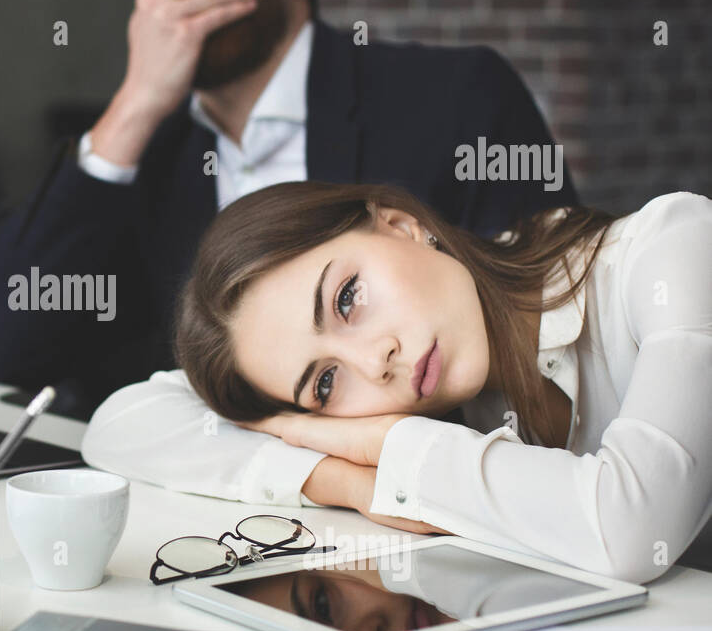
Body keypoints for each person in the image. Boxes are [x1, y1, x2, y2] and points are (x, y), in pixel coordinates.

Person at [0, 0, 575, 411]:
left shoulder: (456, 97)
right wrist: (136, 103)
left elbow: (549, 347)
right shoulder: (145, 153)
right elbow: (2, 352)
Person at [82, 183, 712, 584]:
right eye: (325, 384)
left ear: (402, 224)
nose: (374, 360)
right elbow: (121, 423)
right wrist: (340, 478)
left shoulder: (672, 249)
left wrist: (384, 444)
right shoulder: (457, 401)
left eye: (347, 297)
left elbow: (633, 531)